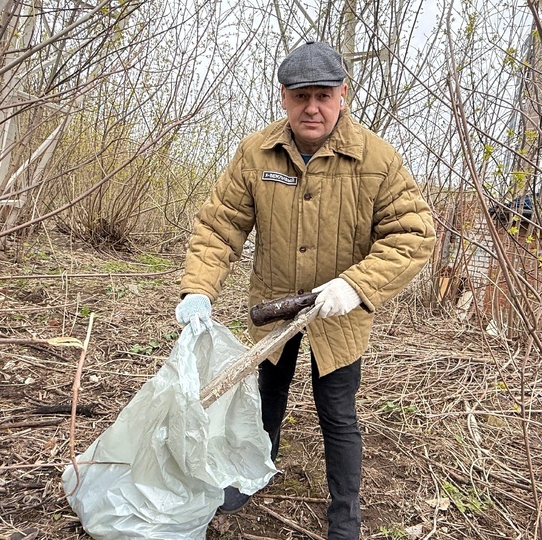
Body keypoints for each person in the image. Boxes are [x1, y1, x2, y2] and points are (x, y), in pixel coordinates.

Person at [175, 41, 436, 539]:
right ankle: (254, 473)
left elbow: (414, 234)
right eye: (300, 97)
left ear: (343, 95)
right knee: (264, 397)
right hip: (275, 304)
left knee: (337, 411)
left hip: (338, 315)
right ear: (284, 98)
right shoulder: (256, 153)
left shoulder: (376, 159)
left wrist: (355, 286)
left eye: (322, 95)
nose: (311, 108)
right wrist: (199, 288)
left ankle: (346, 513)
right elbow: (219, 225)